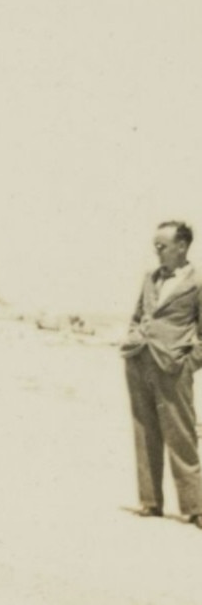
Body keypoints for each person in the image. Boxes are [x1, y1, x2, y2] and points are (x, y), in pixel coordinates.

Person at [120, 221, 202, 528]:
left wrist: (188, 363)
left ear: (182, 247)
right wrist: (131, 341)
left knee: (181, 435)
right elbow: (138, 316)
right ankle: (151, 502)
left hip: (173, 367)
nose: (157, 252)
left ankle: (195, 507)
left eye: (162, 246)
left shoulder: (197, 282)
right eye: (155, 246)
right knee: (144, 431)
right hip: (139, 361)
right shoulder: (149, 278)